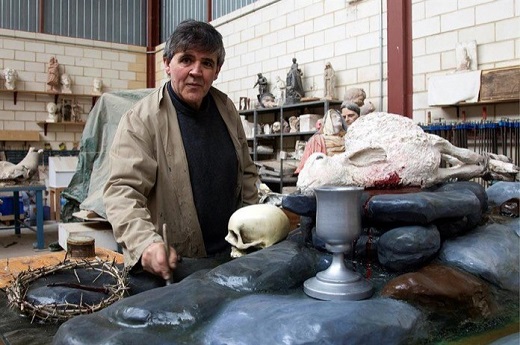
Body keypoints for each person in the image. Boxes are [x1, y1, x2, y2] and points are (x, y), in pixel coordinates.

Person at [103, 20, 259, 282]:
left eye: (207, 63)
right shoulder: (141, 120)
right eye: (186, 60)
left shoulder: (226, 108)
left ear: (217, 71)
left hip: (231, 257)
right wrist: (146, 246)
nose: (196, 71)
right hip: (178, 267)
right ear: (167, 64)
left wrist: (256, 229)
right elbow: (122, 191)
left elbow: (246, 173)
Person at [295, 109, 347, 173]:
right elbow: (305, 162)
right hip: (322, 176)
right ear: (328, 121)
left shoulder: (347, 139)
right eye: (334, 116)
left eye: (339, 116)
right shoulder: (316, 140)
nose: (339, 118)